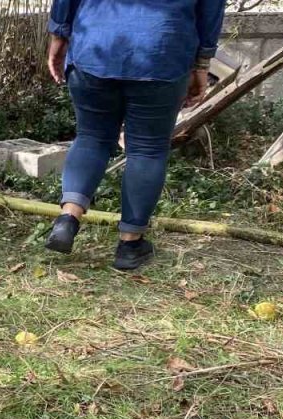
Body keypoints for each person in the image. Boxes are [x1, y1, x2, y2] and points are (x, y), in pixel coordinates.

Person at [43, 0, 225, 270]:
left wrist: (59, 34)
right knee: (147, 149)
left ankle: (68, 218)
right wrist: (202, 63)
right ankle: (130, 244)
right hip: (162, 51)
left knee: (92, 136)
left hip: (95, 45)